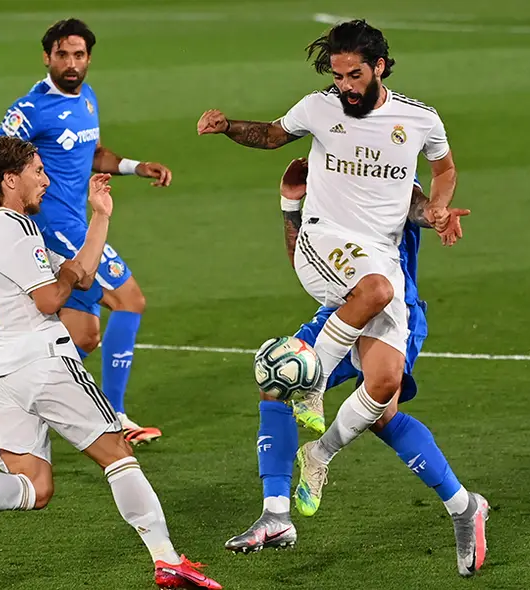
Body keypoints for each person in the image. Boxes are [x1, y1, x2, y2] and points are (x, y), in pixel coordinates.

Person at [199, 20, 489, 576]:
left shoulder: (416, 122)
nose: (345, 87)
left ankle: (460, 505)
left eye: (354, 75)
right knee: (282, 381)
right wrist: (228, 126)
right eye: (337, 76)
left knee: (381, 399)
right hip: (341, 264)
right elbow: (272, 135)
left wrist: (437, 210)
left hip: (379, 282)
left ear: (379, 67)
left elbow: (440, 173)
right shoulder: (319, 110)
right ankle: (276, 513)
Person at [0, 135, 221, 590]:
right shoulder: (16, 231)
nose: (46, 180)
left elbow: (81, 274)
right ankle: (167, 559)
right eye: (37, 171)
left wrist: (100, 215)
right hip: (41, 364)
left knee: (35, 486)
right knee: (117, 453)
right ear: (10, 180)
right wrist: (63, 276)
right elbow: (51, 299)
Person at [0, 18, 168, 444]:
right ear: (47, 57)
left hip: (75, 222)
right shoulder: (31, 109)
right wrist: (12, 223)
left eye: (78, 55)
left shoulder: (87, 98)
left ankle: (8, 404)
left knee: (84, 337)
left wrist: (136, 167)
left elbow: (91, 153)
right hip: (55, 227)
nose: (71, 64)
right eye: (62, 55)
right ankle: (114, 416)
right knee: (129, 300)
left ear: (89, 58)